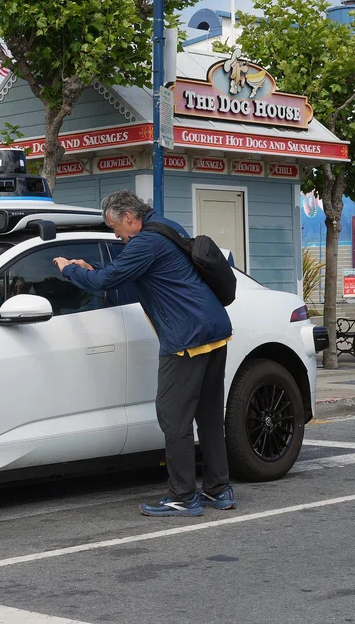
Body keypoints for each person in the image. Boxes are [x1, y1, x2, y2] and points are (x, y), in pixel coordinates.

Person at [52, 190, 234, 517]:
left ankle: (183, 496)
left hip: (187, 339)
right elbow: (129, 277)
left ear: (129, 218)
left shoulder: (144, 243)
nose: (115, 234)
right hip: (215, 330)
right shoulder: (166, 227)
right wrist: (91, 268)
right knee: (208, 416)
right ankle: (219, 490)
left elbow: (107, 279)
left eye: (114, 227)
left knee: (172, 416)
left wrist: (70, 270)